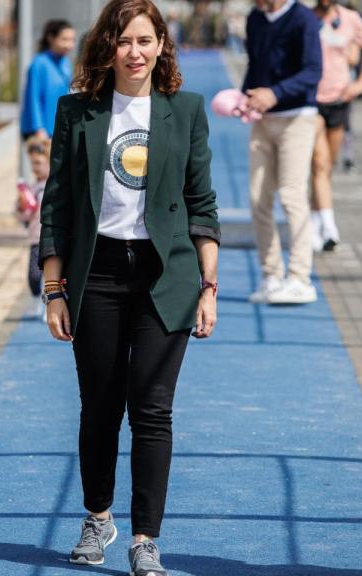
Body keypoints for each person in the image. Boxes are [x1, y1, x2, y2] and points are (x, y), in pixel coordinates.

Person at [37, 1, 220, 574]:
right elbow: (57, 205)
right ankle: (98, 518)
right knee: (99, 407)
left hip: (166, 274)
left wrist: (209, 285)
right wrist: (54, 289)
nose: (134, 52)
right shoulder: (78, 112)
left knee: (152, 408)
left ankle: (146, 539)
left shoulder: (185, 110)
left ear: (162, 45)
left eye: (145, 40)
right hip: (98, 275)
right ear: (107, 48)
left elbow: (201, 204)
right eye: (123, 42)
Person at [242, 0, 323, 304]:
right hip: (261, 120)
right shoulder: (255, 18)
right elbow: (255, 64)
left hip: (297, 118)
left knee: (291, 195)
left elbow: (313, 71)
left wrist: (274, 93)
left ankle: (300, 278)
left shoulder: (303, 19)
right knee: (257, 197)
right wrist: (244, 96)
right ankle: (271, 275)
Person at [310, 0, 362, 251]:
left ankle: (316, 218)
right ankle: (327, 227)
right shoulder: (306, 17)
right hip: (311, 100)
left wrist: (361, 83)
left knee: (327, 167)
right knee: (319, 162)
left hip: (339, 99)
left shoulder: (349, 19)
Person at [20, 20, 76, 140]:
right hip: (43, 131)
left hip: (60, 128)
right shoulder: (38, 63)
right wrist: (38, 128)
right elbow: (33, 98)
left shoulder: (66, 62)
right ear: (51, 38)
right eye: (64, 39)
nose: (70, 45)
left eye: (72, 40)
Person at [14, 137, 50, 306]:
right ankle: (38, 298)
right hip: (36, 239)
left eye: (38, 163)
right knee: (34, 276)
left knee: (54, 275)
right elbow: (24, 216)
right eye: (32, 163)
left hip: (53, 238)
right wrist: (22, 206)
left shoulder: (55, 186)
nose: (34, 168)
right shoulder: (32, 189)